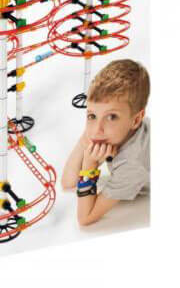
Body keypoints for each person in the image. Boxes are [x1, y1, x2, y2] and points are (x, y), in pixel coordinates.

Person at [61, 59, 150, 226]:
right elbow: (68, 183)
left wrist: (89, 165)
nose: (97, 130)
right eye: (92, 116)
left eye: (112, 117)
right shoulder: (109, 131)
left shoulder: (132, 163)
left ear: (137, 120)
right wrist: (87, 138)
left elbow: (85, 218)